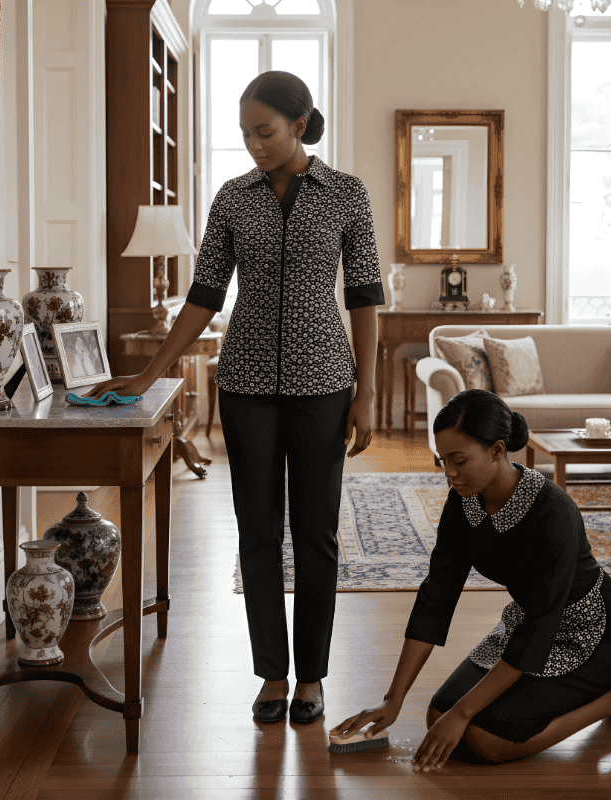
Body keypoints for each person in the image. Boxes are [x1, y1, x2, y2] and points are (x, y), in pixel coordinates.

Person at [86, 70, 384, 725]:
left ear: (299, 126)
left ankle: (312, 677)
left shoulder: (347, 194)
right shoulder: (231, 198)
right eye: (246, 133)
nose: (254, 144)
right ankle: (272, 674)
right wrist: (149, 374)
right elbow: (204, 295)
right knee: (256, 530)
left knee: (317, 534)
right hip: (245, 385)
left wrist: (367, 392)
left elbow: (365, 296)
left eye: (265, 131)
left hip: (324, 384)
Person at [331, 389, 611, 770]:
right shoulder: (464, 502)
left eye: (459, 460)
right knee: (438, 715)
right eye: (443, 461)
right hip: (529, 623)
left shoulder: (553, 513)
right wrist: (393, 699)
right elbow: (436, 597)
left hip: (595, 632)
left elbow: (540, 628)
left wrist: (464, 713)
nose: (449, 473)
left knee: (486, 739)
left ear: (497, 450)